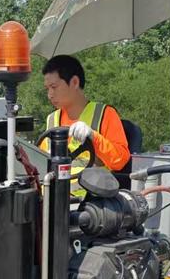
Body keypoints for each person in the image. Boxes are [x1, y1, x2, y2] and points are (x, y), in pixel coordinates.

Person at [39, 55, 131, 197]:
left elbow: (120, 160)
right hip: (53, 197)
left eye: (54, 87)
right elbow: (40, 163)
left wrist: (94, 137)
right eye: (47, 89)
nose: (50, 95)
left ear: (75, 82)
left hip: (91, 200)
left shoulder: (104, 114)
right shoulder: (52, 120)